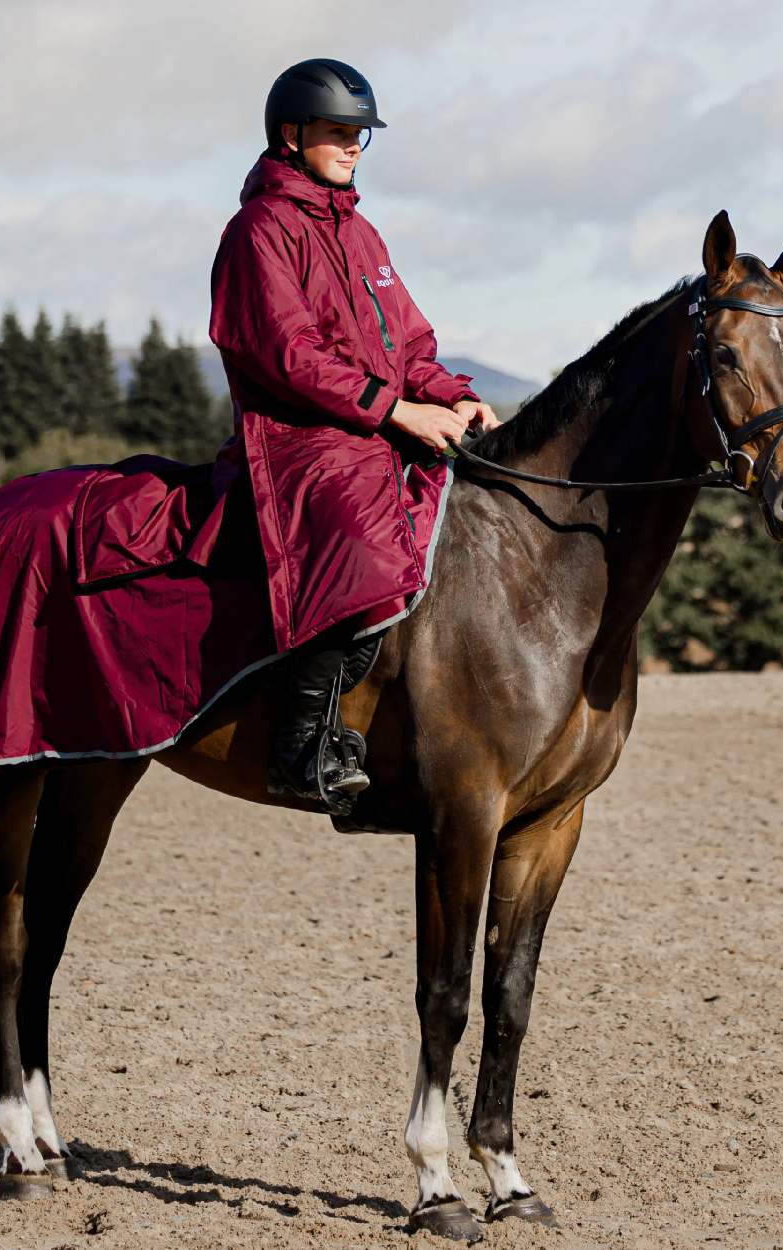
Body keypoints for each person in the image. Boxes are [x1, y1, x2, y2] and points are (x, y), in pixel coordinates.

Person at [208, 58, 499, 806]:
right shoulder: (259, 231)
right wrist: (397, 411)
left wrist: (454, 397)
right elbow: (287, 355)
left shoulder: (362, 234)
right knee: (372, 551)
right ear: (289, 134)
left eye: (360, 135)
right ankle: (300, 748)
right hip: (300, 440)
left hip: (368, 428)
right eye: (340, 133)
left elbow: (408, 347)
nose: (354, 147)